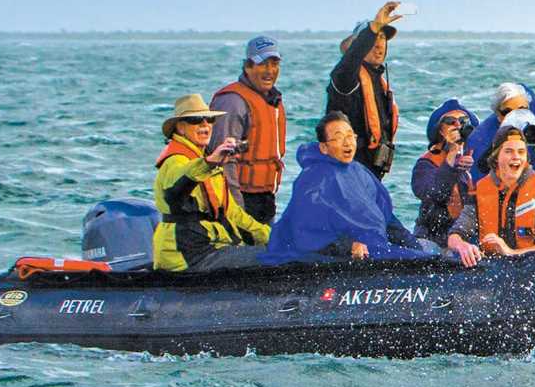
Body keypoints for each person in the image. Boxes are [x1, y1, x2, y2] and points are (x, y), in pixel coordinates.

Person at [261, 114, 438, 264]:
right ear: (323, 147)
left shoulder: (359, 171)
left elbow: (387, 219)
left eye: (350, 136)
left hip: (372, 248)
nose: (347, 143)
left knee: (428, 257)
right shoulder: (314, 178)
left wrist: (414, 246)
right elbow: (305, 230)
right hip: (329, 256)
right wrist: (348, 246)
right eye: (338, 137)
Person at [152, 94, 272, 272]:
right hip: (186, 255)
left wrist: (277, 238)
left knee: (275, 252)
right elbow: (176, 187)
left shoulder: (208, 164)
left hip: (213, 247)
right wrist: (209, 162)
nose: (204, 125)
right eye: (195, 120)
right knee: (264, 259)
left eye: (209, 119)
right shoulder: (175, 161)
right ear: (180, 128)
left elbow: (235, 215)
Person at [447, 123, 535, 268]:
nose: (516, 157)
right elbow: (455, 235)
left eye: (521, 152)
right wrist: (462, 246)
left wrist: (511, 253)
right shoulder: (481, 190)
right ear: (496, 158)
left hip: (532, 267)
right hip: (492, 268)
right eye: (509, 151)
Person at [208, 34, 287, 224]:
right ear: (247, 66)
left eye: (274, 63)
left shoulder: (272, 100)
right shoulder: (232, 101)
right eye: (262, 64)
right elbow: (223, 160)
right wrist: (236, 209)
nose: (270, 71)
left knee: (266, 250)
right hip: (240, 199)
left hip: (265, 198)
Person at [326, 0, 403, 180]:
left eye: (383, 38)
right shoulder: (345, 77)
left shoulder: (379, 82)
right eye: (374, 37)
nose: (379, 44)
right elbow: (350, 61)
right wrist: (373, 27)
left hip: (372, 175)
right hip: (346, 174)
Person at [410, 100, 479, 247]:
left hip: (469, 234)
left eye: (463, 121)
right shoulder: (426, 163)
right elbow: (434, 193)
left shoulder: (478, 157)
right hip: (434, 237)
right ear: (441, 131)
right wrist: (452, 157)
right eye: (450, 122)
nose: (457, 126)